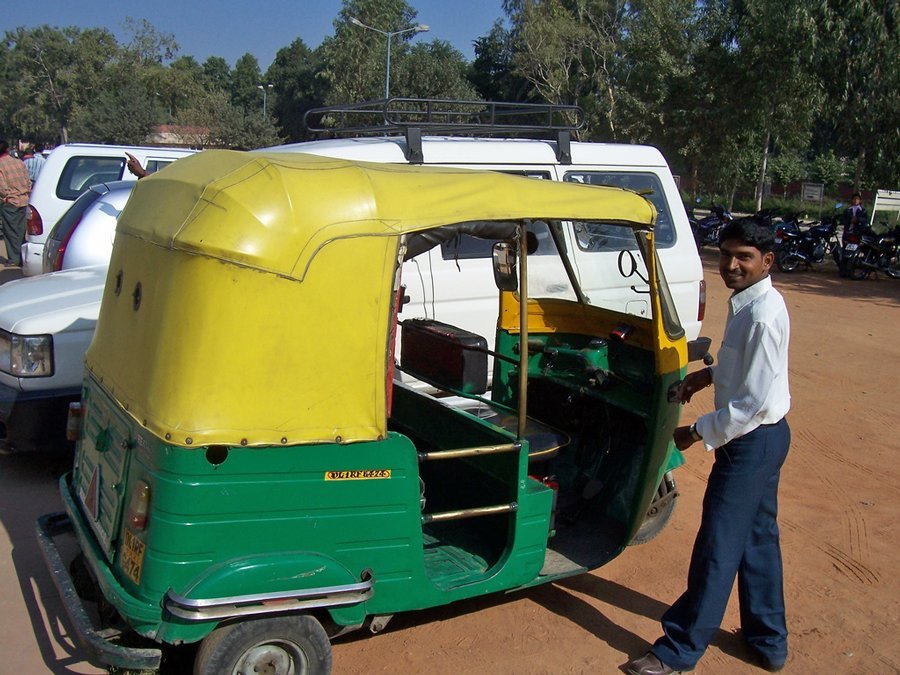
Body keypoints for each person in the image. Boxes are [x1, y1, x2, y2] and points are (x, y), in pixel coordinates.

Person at [626, 218, 791, 675]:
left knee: (719, 545)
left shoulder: (762, 315)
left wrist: (696, 432)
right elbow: (746, 372)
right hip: (762, 439)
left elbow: (753, 403)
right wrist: (706, 376)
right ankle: (769, 641)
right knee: (757, 539)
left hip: (751, 441)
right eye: (726, 255)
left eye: (744, 258)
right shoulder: (750, 302)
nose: (732, 265)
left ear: (767, 261)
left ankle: (677, 651)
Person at [0, 140, 33, 266]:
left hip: (11, 202)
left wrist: (7, 196)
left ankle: (14, 259)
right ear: (8, 149)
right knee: (21, 230)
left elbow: (2, 187)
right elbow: (28, 181)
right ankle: (23, 257)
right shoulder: (19, 163)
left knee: (10, 231)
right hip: (24, 200)